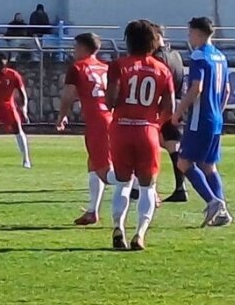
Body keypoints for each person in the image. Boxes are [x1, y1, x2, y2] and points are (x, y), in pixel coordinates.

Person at [105, 19, 176, 251]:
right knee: (148, 186)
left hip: (121, 128)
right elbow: (170, 108)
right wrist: (155, 123)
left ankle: (118, 228)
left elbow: (111, 100)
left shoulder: (119, 65)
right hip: (147, 130)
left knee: (123, 184)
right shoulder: (162, 69)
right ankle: (140, 234)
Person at [172, 16, 232, 227]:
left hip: (200, 118)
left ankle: (212, 201)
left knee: (183, 162)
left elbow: (196, 88)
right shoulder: (221, 57)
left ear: (198, 33)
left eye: (190, 33)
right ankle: (222, 210)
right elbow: (226, 90)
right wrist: (218, 112)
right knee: (208, 165)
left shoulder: (199, 56)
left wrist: (178, 111)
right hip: (216, 119)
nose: (189, 37)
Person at [56, 32, 114, 226]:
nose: (73, 51)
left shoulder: (77, 67)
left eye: (75, 47)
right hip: (110, 117)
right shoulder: (106, 67)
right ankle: (92, 211)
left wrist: (62, 115)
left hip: (97, 120)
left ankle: (142, 186)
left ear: (82, 48)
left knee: (104, 171)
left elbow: (67, 96)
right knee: (93, 164)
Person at [154, 28, 189, 202]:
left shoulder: (157, 58)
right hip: (176, 103)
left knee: (165, 145)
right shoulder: (176, 55)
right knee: (172, 145)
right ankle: (180, 187)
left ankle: (141, 186)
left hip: (163, 105)